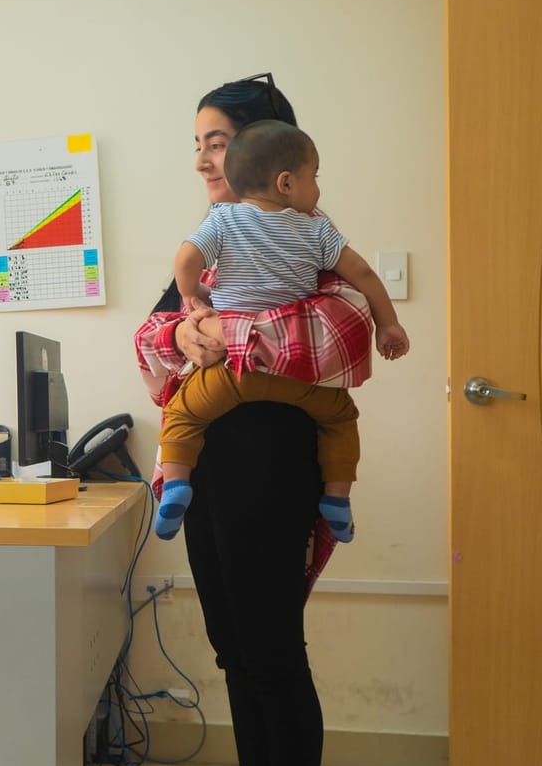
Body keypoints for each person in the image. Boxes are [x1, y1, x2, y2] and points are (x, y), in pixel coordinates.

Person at [133, 74, 374, 766]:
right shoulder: (219, 238)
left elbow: (334, 337)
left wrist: (208, 333)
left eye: (218, 139)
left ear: (267, 151)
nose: (205, 155)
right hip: (210, 467)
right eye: (197, 142)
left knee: (271, 646)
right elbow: (152, 339)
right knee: (234, 641)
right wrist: (183, 329)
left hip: (274, 460)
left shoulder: (308, 235)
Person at [154, 119, 410, 542]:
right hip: (300, 381)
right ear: (287, 182)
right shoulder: (316, 229)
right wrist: (388, 324)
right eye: (315, 177)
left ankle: (178, 485)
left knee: (183, 414)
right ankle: (337, 498)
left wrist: (195, 296)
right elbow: (363, 273)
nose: (318, 190)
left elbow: (184, 261)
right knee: (342, 418)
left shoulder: (223, 221)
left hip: (233, 372)